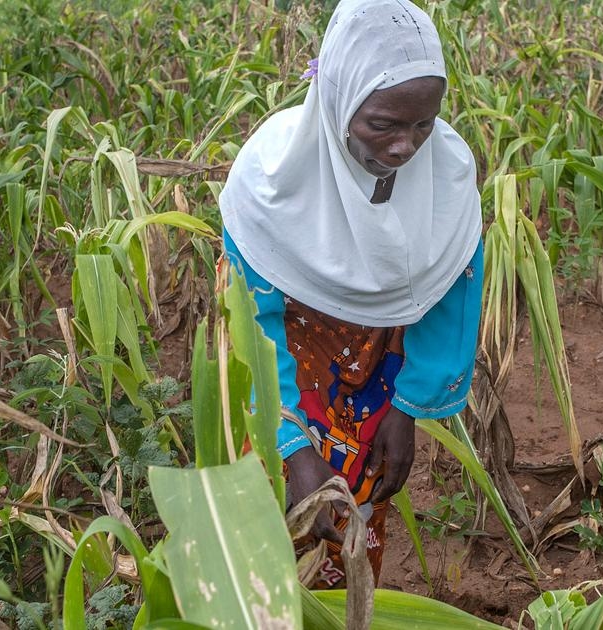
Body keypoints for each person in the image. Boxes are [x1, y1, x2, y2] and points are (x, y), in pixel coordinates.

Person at [219, 0, 483, 588]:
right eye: (382, 124)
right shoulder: (269, 187)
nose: (404, 148)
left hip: (375, 393)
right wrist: (290, 444)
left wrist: (408, 408)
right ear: (338, 101)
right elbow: (248, 323)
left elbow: (451, 290)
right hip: (285, 386)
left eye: (423, 123)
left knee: (355, 523)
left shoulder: (448, 176)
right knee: (269, 531)